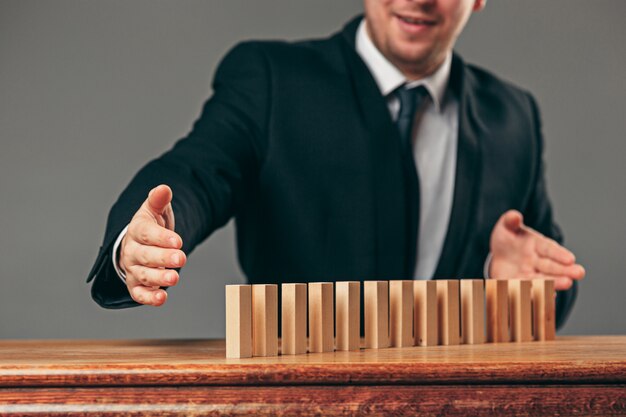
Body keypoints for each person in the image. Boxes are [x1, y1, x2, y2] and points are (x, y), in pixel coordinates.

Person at [87, 0, 585, 329]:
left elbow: (549, 272)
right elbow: (194, 174)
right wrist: (140, 238)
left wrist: (508, 284)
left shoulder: (514, 116)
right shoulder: (271, 81)